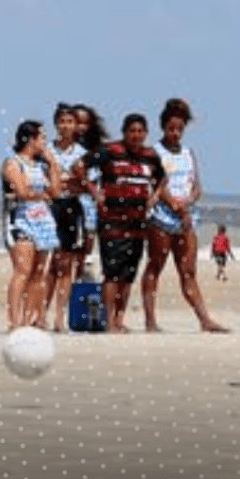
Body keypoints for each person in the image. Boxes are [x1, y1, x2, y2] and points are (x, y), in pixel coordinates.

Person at [141, 99, 228, 333]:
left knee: (188, 271)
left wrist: (189, 201)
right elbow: (156, 183)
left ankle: (204, 320)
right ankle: (150, 320)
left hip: (186, 218)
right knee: (155, 266)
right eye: (171, 128)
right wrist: (174, 205)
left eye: (179, 129)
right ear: (163, 127)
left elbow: (197, 186)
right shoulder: (154, 152)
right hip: (162, 217)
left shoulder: (189, 152)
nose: (176, 133)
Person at [74, 114, 165, 332]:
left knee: (128, 274)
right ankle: (108, 321)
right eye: (132, 131)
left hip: (138, 221)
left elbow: (162, 178)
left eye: (140, 131)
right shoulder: (110, 151)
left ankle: (119, 319)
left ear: (146, 134)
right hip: (112, 220)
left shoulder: (150, 155)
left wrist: (155, 196)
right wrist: (95, 192)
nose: (136, 135)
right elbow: (78, 166)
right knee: (112, 272)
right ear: (124, 132)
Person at [2, 121, 62, 329]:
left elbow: (55, 192)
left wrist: (53, 164)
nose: (45, 142)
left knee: (39, 272)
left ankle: (29, 318)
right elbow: (21, 192)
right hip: (21, 220)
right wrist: (40, 195)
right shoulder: (13, 163)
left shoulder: (41, 166)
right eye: (42, 138)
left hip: (43, 221)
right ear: (30, 139)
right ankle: (14, 319)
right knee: (22, 270)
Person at [41, 104, 87, 331]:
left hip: (71, 206)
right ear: (56, 124)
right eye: (62, 121)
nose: (65, 126)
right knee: (49, 262)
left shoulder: (81, 152)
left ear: (76, 126)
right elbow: (42, 180)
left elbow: (84, 184)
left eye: (70, 122)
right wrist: (62, 181)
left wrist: (68, 182)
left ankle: (60, 317)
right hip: (50, 206)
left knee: (66, 262)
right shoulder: (46, 149)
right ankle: (41, 314)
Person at [71, 105, 106, 282]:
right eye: (78, 122)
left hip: (91, 200)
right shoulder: (63, 146)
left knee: (88, 241)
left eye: (85, 123)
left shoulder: (97, 148)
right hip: (70, 199)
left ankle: (80, 277)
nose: (81, 127)